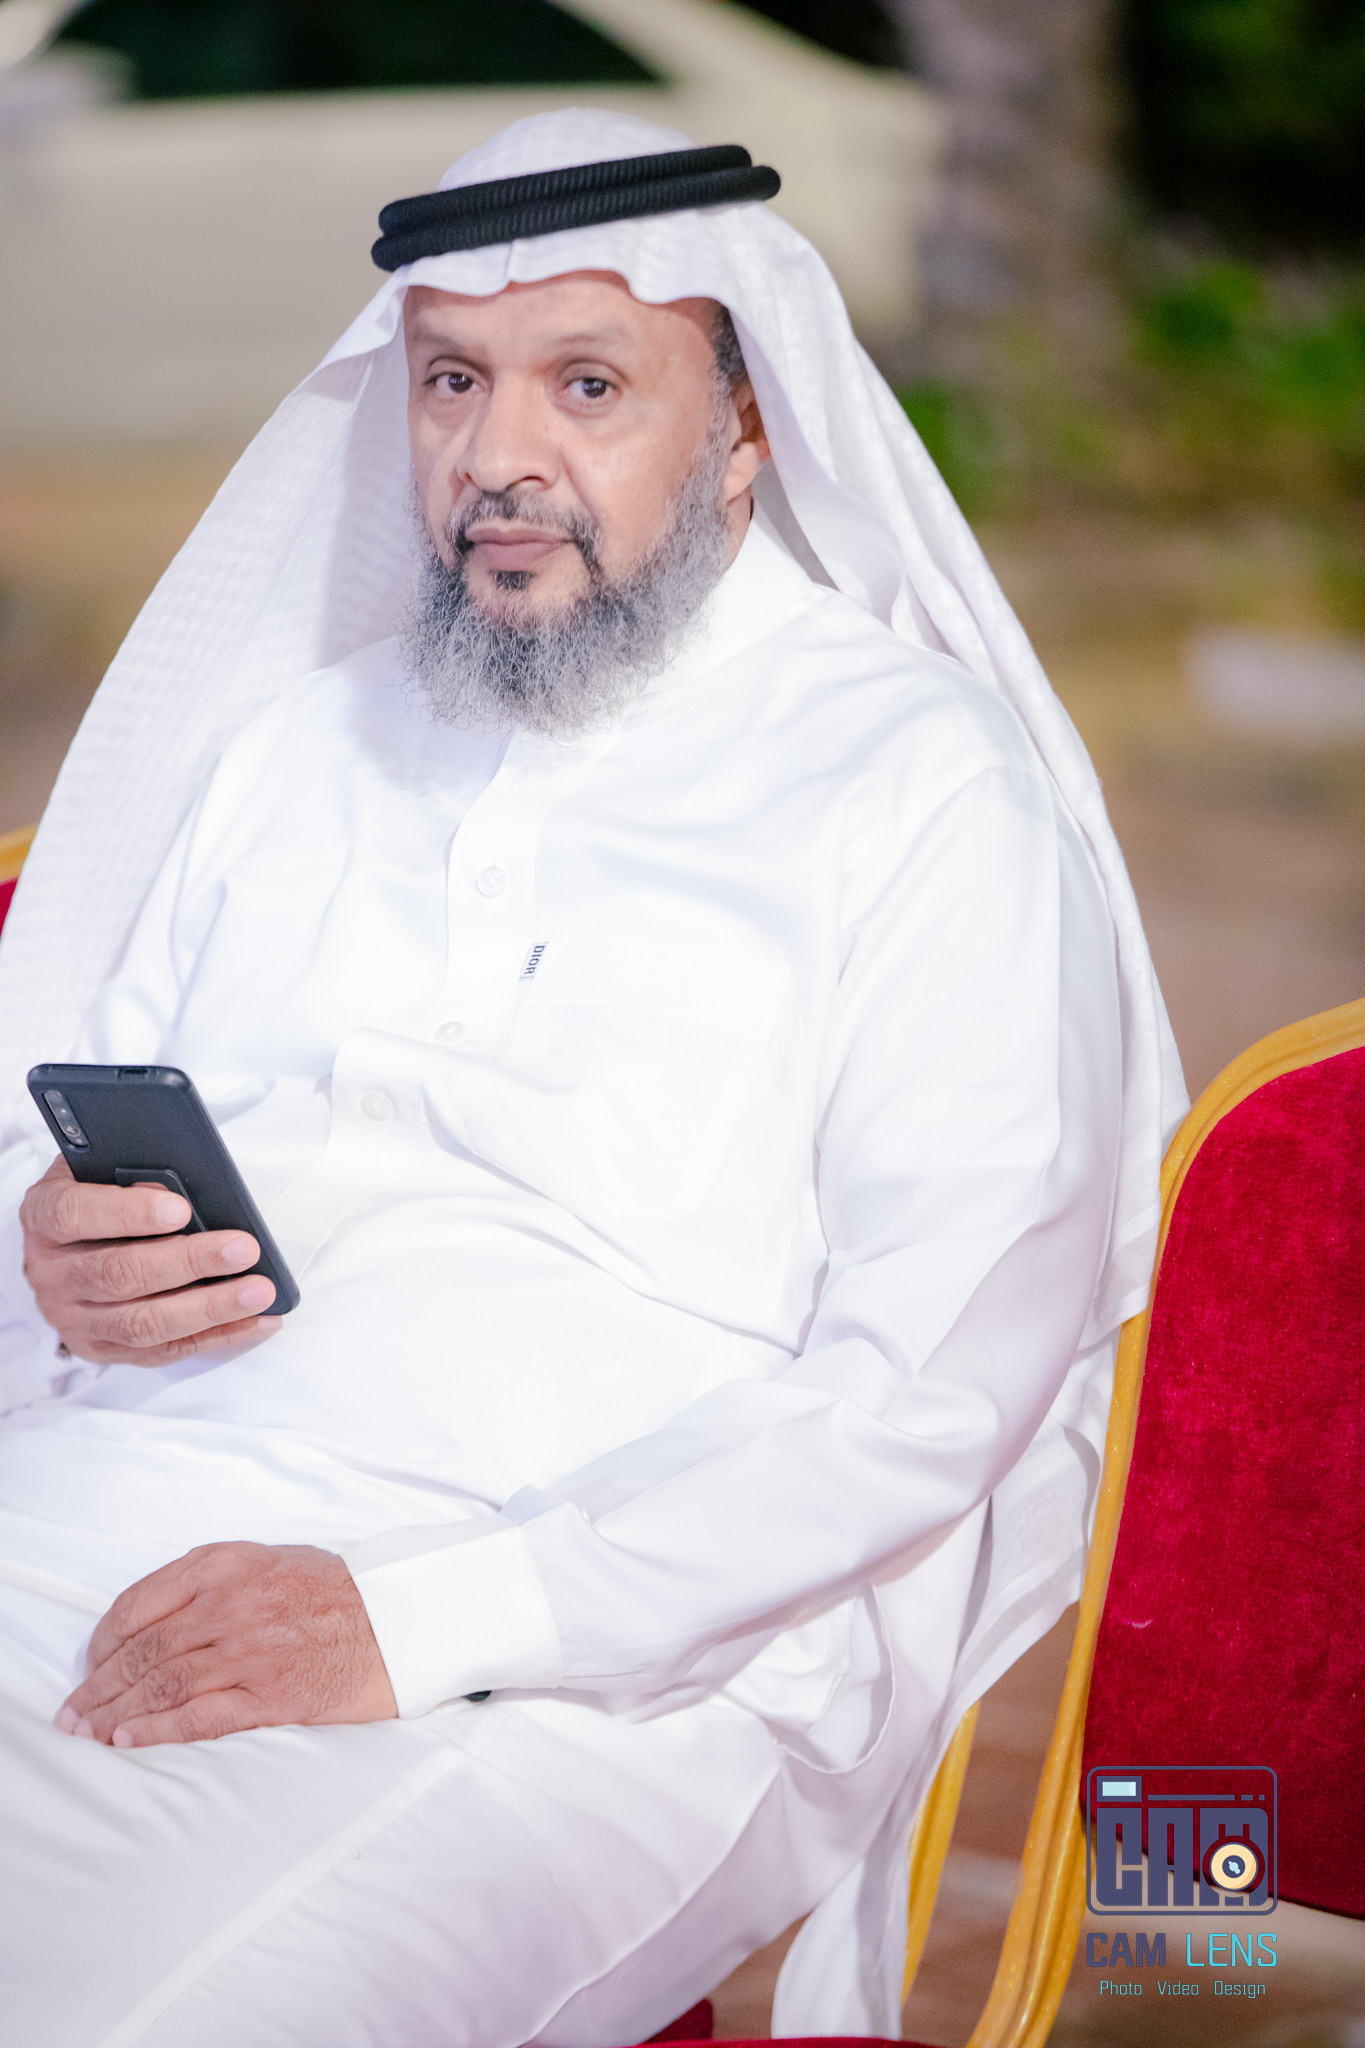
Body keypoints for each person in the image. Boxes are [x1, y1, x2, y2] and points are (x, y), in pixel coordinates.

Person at [0, 112, 1185, 2048]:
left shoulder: (918, 786)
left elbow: (928, 1382)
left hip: (599, 1653)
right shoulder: (295, 745)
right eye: (449, 381)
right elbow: (56, 1155)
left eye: (587, 384)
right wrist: (58, 1256)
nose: (497, 455)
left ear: (744, 425)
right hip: (88, 1502)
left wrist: (413, 1619)